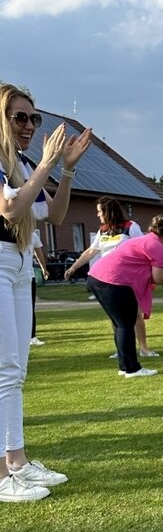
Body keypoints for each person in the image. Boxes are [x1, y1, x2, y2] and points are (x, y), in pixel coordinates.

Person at [0, 82, 91, 501]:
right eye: (20, 117)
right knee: (5, 370)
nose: (30, 125)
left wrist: (66, 168)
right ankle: (3, 472)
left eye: (34, 118)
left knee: (15, 371)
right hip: (2, 260)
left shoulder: (21, 162)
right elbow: (11, 208)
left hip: (18, 262)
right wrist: (48, 163)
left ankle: (16, 461)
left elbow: (54, 214)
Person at [65, 197, 158, 359]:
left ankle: (144, 348)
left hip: (130, 278)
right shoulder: (103, 231)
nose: (98, 215)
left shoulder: (130, 227)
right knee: (115, 316)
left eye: (100, 211)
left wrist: (149, 274)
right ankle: (121, 349)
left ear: (108, 211)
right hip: (110, 279)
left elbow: (144, 248)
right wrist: (74, 267)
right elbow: (91, 251)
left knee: (136, 314)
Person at [88, 216, 163, 378]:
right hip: (114, 280)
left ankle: (124, 366)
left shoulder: (143, 240)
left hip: (97, 276)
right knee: (125, 324)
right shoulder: (158, 246)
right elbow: (160, 278)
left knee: (121, 324)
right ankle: (132, 369)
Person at [30, 228, 48, 346]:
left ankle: (32, 336)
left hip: (28, 276)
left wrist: (43, 269)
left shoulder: (32, 236)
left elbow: (39, 254)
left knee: (30, 308)